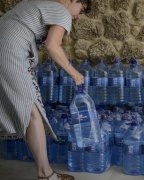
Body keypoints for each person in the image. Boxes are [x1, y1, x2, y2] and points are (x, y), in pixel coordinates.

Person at [0, 0, 90, 179]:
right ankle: (46, 175)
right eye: (82, 9)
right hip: (9, 50)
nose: (78, 16)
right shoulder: (61, 11)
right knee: (32, 111)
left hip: (5, 45)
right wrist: (76, 75)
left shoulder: (38, 3)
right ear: (74, 1)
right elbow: (52, 46)